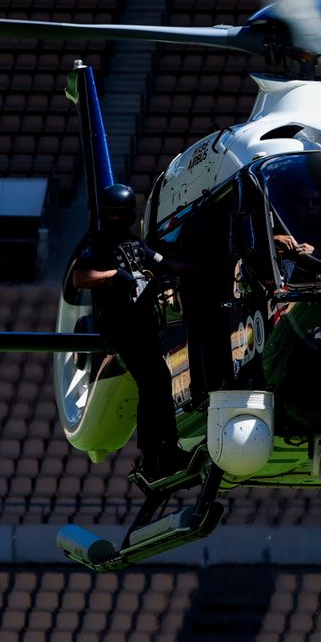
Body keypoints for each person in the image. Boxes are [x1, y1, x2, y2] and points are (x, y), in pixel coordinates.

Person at [71, 183, 184, 478]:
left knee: (159, 383)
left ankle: (164, 449)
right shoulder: (97, 246)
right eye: (113, 214)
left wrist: (200, 271)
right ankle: (156, 453)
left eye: (123, 214)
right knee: (155, 382)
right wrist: (111, 275)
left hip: (145, 328)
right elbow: (80, 278)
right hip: (122, 331)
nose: (118, 219)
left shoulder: (136, 245)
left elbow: (165, 263)